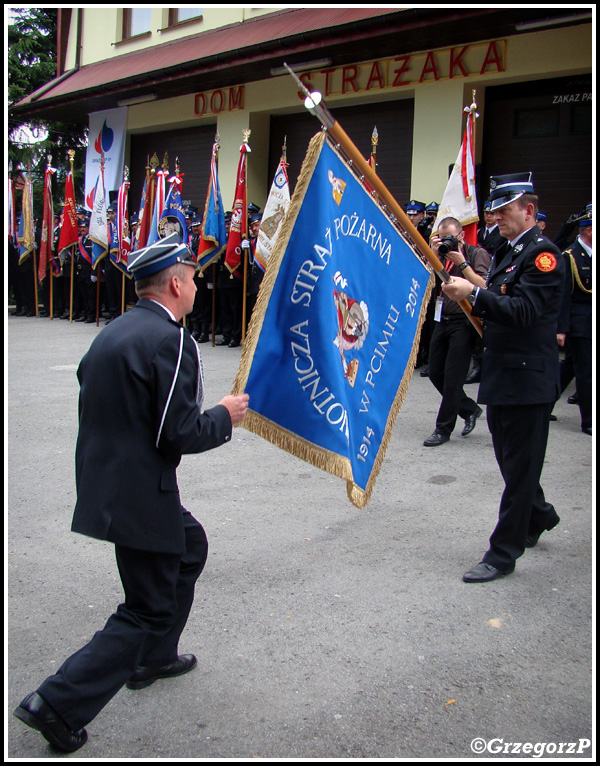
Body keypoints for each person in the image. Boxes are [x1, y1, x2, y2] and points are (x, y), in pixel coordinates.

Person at [13, 233, 250, 752]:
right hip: (142, 494)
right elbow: (179, 432)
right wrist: (225, 416)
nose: (196, 285)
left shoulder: (117, 329)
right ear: (173, 283)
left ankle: (156, 656)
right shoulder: (172, 339)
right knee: (147, 609)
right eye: (192, 277)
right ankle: (56, 703)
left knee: (191, 546)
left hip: (113, 484)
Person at [441, 172, 564, 583]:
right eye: (494, 211)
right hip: (504, 374)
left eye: (505, 210)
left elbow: (525, 313)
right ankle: (539, 515)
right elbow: (499, 302)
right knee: (515, 464)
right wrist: (468, 287)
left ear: (529, 210)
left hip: (528, 381)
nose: (496, 218)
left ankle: (502, 554)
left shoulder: (543, 255)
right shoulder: (510, 252)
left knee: (519, 469)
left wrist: (473, 294)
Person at [423, 217, 490, 446]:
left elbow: (483, 285)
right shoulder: (439, 256)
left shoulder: (475, 254)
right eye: (442, 238)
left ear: (461, 236)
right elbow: (427, 285)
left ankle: (443, 429)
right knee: (435, 372)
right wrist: (433, 257)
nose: (446, 243)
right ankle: (468, 409)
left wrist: (462, 264)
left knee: (453, 379)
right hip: (442, 319)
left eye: (450, 237)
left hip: (465, 320)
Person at [557, 203, 592, 435]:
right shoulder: (570, 257)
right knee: (587, 372)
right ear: (589, 230)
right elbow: (562, 297)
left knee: (569, 367)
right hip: (581, 324)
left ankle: (545, 401)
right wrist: (561, 329)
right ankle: (589, 420)